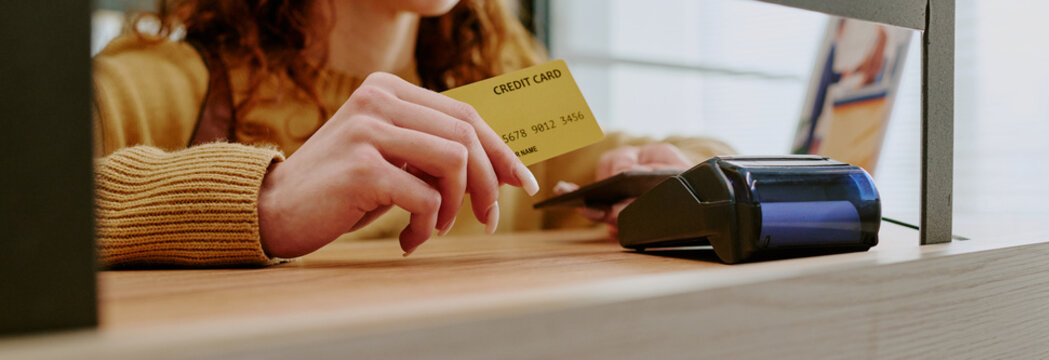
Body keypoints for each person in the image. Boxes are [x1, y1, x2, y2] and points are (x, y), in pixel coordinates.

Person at [93, 0, 735, 267]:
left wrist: (679, 174)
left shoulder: (501, 71)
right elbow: (26, 206)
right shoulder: (159, 85)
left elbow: (661, 156)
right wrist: (262, 200)